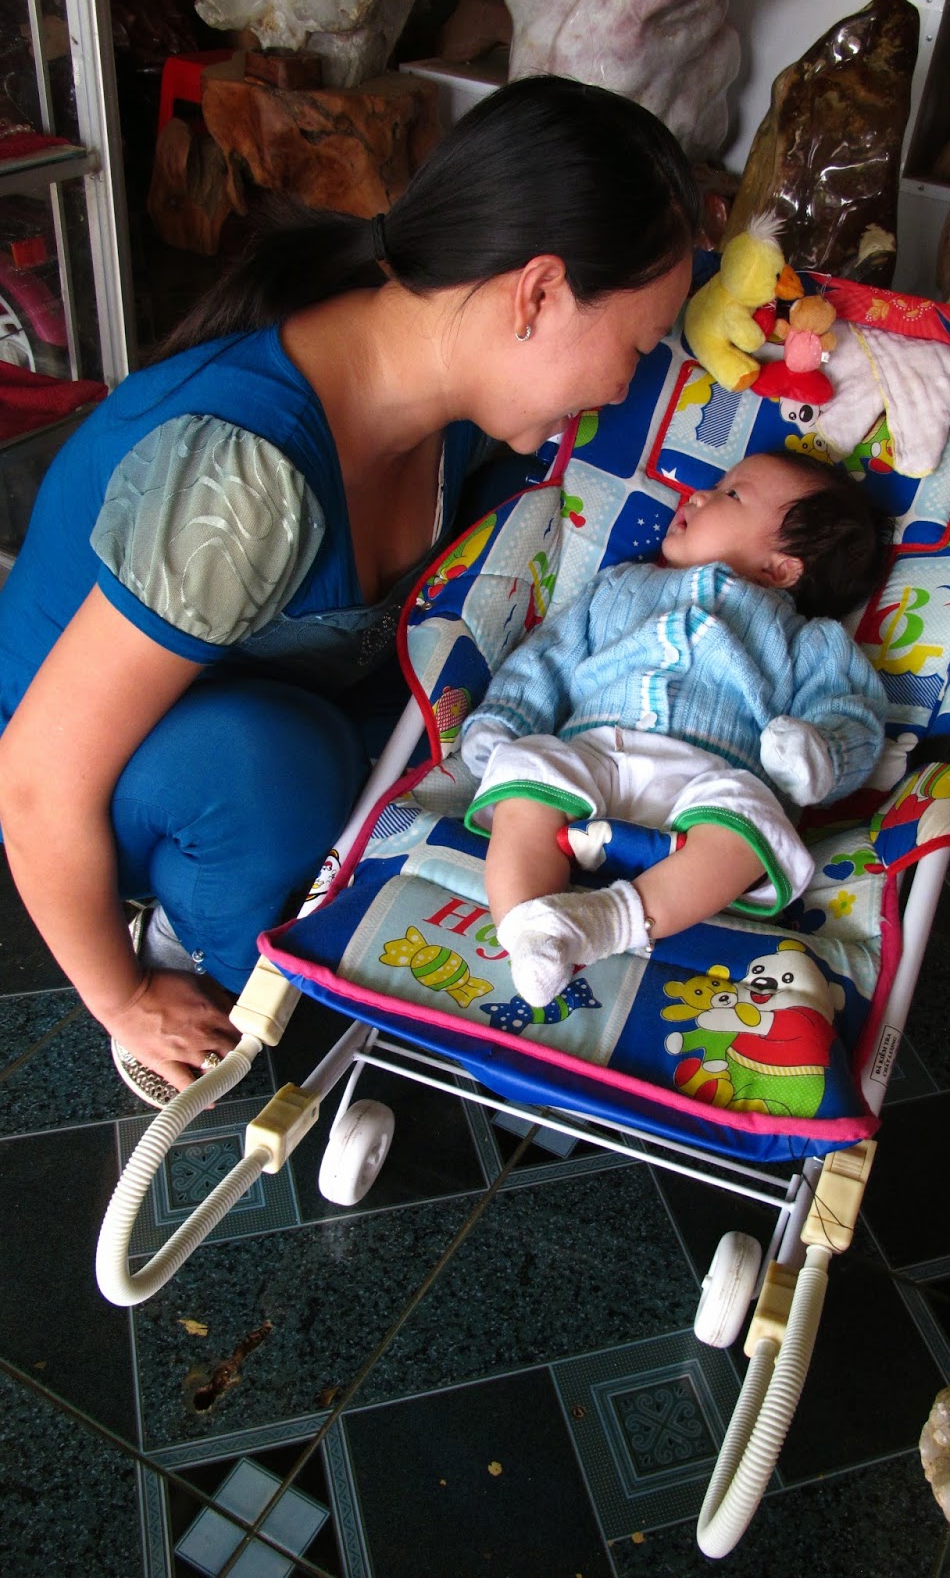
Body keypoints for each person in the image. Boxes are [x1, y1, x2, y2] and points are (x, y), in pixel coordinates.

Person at [0, 75, 701, 1105]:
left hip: (255, 700)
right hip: (95, 787)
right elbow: (37, 778)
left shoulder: (446, 404)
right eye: (634, 347)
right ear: (538, 293)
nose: (624, 383)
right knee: (274, 765)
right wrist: (121, 998)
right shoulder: (246, 478)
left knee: (464, 722)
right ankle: (187, 937)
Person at [460, 451, 890, 1008]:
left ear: (781, 569)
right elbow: (547, 658)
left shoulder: (808, 639)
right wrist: (507, 718)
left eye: (732, 494)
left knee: (758, 822)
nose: (699, 494)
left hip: (707, 784)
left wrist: (818, 752)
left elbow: (852, 713)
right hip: (589, 757)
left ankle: (607, 921)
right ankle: (527, 932)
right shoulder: (618, 587)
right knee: (525, 766)